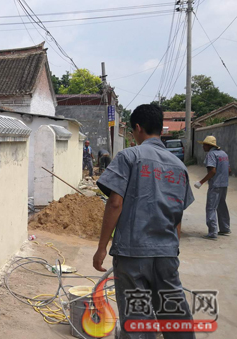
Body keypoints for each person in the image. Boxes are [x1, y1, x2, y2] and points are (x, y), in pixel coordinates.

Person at [93, 104, 195, 339]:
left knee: (137, 317)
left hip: (132, 254)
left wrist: (101, 247)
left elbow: (115, 203)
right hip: (166, 253)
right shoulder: (179, 167)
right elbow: (177, 213)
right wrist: (171, 248)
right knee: (175, 315)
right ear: (160, 128)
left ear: (137, 128)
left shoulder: (129, 156)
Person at [194, 136, 231, 240]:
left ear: (209, 145)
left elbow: (213, 171)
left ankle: (212, 232)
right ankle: (225, 228)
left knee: (211, 208)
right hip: (224, 184)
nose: (203, 147)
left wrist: (201, 182)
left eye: (204, 145)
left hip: (215, 185)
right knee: (221, 206)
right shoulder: (224, 154)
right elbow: (228, 170)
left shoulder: (211, 154)